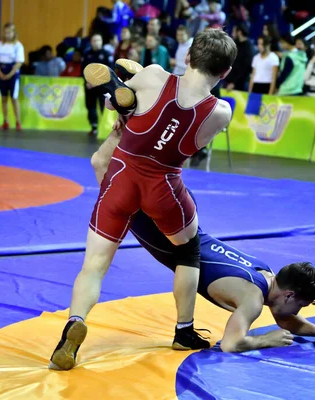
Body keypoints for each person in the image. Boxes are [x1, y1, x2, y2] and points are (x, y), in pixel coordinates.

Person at [49, 29, 237, 371]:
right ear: (225, 73)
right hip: (163, 186)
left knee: (93, 267)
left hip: (120, 177)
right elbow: (189, 145)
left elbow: (118, 108)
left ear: (187, 58)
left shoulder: (152, 75)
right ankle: (184, 330)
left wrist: (130, 92)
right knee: (188, 250)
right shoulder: (220, 111)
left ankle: (73, 326)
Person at [89, 130, 315, 351]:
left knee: (122, 171)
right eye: (300, 306)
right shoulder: (252, 298)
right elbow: (231, 344)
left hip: (184, 224)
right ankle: (134, 121)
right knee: (105, 169)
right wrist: (265, 340)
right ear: (288, 295)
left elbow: (284, 317)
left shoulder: (266, 273)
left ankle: (129, 125)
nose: (298, 313)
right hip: (166, 237)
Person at [0, 23, 24, 131]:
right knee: (4, 98)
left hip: (13, 72)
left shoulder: (18, 45)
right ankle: (5, 121)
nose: (7, 35)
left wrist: (10, 74)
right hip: (2, 70)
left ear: (14, 33)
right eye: (5, 32)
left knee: (14, 98)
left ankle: (18, 122)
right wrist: (0, 72)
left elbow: (19, 62)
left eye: (10, 32)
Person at [82, 33, 114, 136]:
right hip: (90, 86)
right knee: (90, 106)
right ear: (91, 42)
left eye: (98, 40)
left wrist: (98, 82)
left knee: (104, 106)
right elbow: (83, 69)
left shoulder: (106, 54)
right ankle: (94, 126)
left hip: (103, 86)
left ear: (102, 42)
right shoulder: (87, 54)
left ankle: (106, 127)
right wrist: (88, 82)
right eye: (94, 40)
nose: (96, 42)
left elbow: (109, 71)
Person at [224, 22, 255, 91]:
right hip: (227, 81)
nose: (232, 33)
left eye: (234, 31)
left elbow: (245, 69)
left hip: (239, 85)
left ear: (239, 32)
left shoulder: (248, 48)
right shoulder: (235, 44)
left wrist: (234, 83)